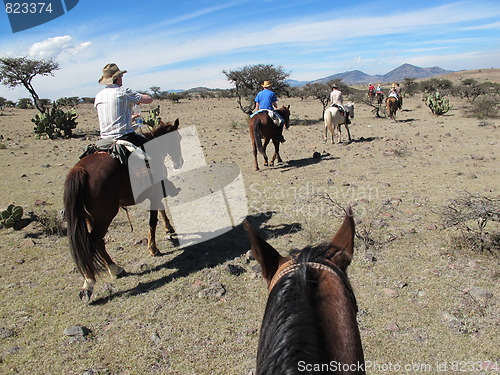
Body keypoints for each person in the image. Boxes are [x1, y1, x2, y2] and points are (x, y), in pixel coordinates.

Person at [94, 63, 153, 147]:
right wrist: (137, 97)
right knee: (152, 149)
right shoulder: (124, 92)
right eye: (121, 76)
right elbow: (149, 99)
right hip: (123, 137)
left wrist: (130, 118)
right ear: (117, 78)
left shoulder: (99, 96)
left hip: (105, 138)